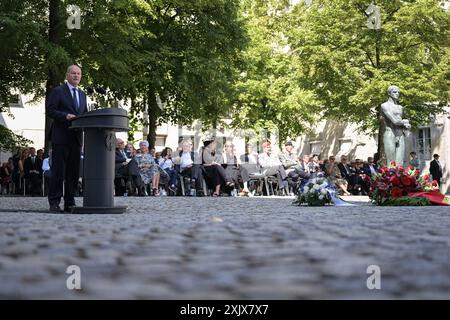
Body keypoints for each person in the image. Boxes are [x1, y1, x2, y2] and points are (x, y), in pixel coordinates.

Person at [46, 64, 88, 212]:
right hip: (61, 137)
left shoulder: (83, 95)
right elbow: (50, 110)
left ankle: (70, 202)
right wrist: (65, 116)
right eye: (73, 73)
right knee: (58, 172)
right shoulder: (58, 91)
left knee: (73, 173)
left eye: (79, 74)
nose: (76, 76)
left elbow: (84, 115)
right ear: (67, 75)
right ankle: (54, 202)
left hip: (76, 139)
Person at [381, 85, 411, 166]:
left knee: (400, 162)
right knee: (391, 162)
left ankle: (400, 178)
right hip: (390, 133)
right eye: (395, 92)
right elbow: (394, 121)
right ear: (389, 93)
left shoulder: (400, 107)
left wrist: (406, 125)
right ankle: (391, 178)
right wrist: (405, 121)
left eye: (398, 92)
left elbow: (400, 121)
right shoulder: (384, 105)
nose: (397, 94)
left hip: (400, 134)